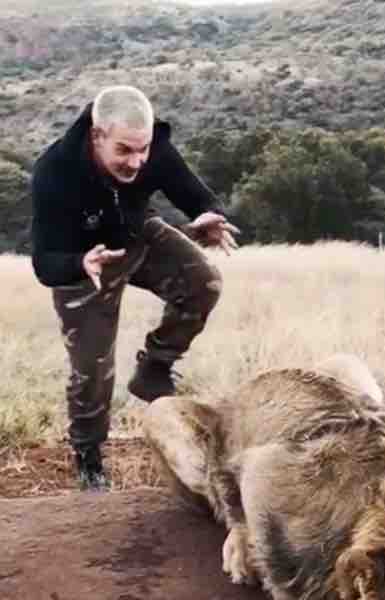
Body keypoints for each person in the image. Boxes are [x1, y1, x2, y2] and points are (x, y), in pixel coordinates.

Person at [29, 85, 239, 491]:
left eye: (142, 150)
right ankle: (89, 457)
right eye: (124, 151)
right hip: (84, 264)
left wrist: (210, 215)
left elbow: (193, 193)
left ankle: (154, 368)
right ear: (97, 136)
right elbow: (43, 262)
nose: (137, 162)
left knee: (204, 282)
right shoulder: (54, 172)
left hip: (137, 236)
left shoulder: (153, 149)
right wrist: (78, 262)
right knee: (91, 371)